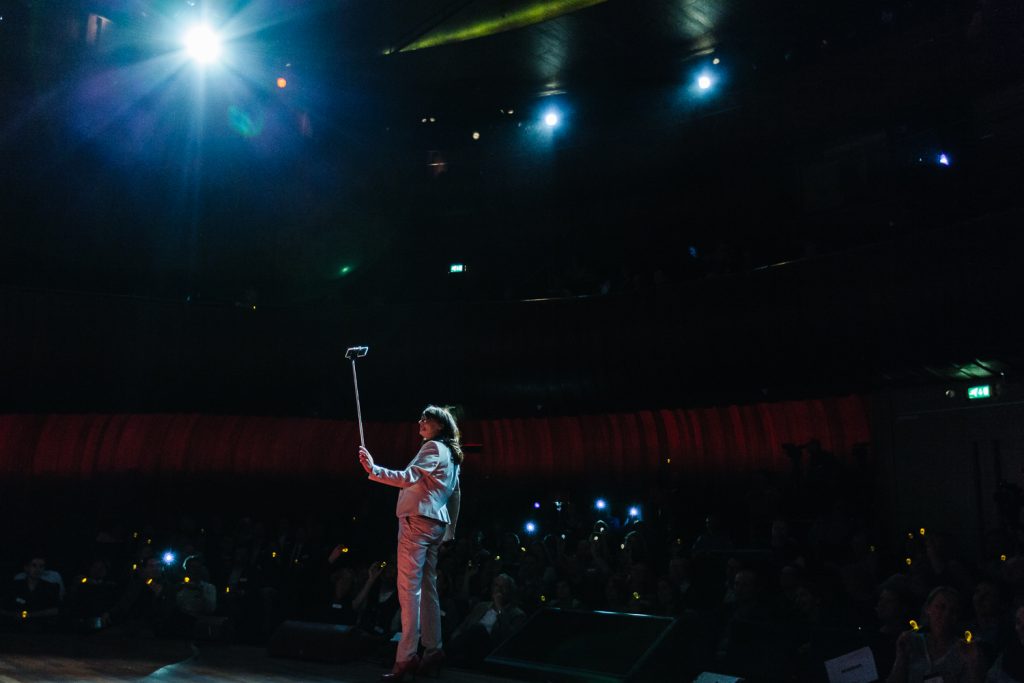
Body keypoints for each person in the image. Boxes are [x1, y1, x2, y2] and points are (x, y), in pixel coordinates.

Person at [359, 405, 463, 682]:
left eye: (426, 419)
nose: (420, 421)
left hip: (416, 521)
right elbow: (455, 495)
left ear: (440, 425)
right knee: (428, 590)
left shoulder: (432, 448)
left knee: (409, 591)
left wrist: (373, 469)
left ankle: (406, 657)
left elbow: (408, 478)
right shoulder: (452, 455)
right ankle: (433, 650)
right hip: (435, 524)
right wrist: (450, 531)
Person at [886, 585, 986, 683]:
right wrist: (901, 657)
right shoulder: (913, 642)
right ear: (928, 609)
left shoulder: (964, 649)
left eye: (953, 611)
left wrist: (973, 665)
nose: (946, 614)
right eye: (941, 607)